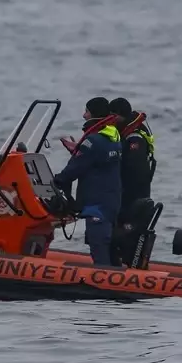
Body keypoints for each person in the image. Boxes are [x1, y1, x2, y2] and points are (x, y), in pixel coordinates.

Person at [53, 97, 122, 266]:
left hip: (96, 204)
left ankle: (105, 286)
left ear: (94, 114)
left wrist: (56, 181)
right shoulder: (114, 137)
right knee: (108, 247)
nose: (84, 115)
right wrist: (79, 150)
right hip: (111, 202)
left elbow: (74, 169)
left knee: (99, 249)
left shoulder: (93, 141)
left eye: (87, 111)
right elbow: (95, 161)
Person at [108, 97, 156, 221]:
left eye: (113, 116)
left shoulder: (134, 138)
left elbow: (134, 168)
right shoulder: (123, 132)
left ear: (121, 115)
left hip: (133, 195)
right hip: (126, 193)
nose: (110, 120)